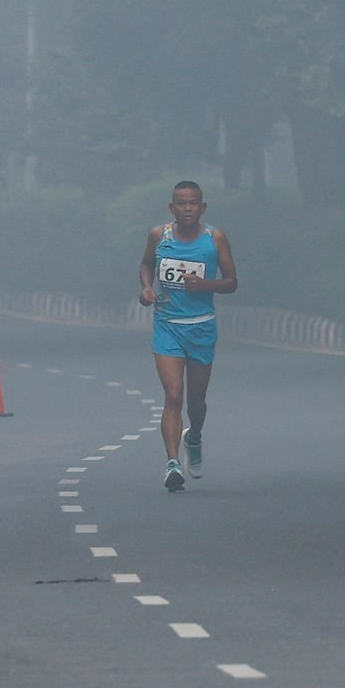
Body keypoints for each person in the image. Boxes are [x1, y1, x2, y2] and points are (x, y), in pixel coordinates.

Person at [138, 181, 237, 491]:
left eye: (193, 203)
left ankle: (193, 437)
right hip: (167, 325)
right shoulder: (160, 236)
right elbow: (146, 264)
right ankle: (172, 464)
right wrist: (146, 288)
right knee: (173, 396)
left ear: (203, 207)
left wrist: (205, 285)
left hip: (201, 327)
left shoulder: (214, 239)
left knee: (196, 401)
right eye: (181, 204)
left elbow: (232, 281)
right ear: (172, 208)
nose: (188, 209)